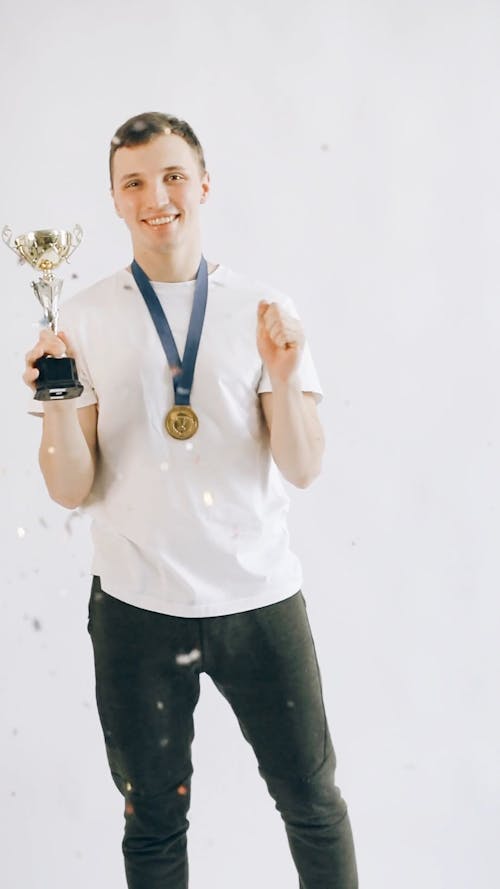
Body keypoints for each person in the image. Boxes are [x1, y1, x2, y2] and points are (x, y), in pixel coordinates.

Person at [24, 112, 358, 889]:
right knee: (152, 824)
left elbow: (303, 466)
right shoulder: (82, 317)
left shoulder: (262, 309)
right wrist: (61, 399)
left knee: (311, 801)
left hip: (259, 599)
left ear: (204, 185)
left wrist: (283, 370)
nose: (156, 197)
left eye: (172, 176)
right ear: (114, 199)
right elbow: (71, 487)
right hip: (139, 607)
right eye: (134, 182)